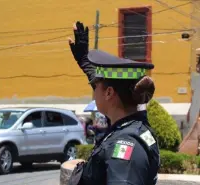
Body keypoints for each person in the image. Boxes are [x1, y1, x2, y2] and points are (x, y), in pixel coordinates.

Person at [67, 21, 160, 185]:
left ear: (109, 93)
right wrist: (84, 60)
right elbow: (106, 81)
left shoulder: (126, 145)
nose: (93, 90)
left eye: (95, 86)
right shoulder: (133, 126)